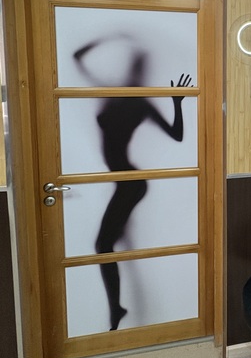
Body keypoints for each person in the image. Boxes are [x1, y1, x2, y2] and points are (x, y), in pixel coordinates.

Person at [73, 35, 192, 330]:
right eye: (134, 65)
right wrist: (109, 38)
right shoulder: (114, 92)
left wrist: (177, 103)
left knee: (103, 245)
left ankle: (116, 309)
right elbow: (77, 57)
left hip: (131, 182)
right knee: (107, 244)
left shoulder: (141, 103)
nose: (135, 71)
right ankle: (118, 308)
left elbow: (177, 135)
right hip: (124, 181)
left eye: (139, 67)